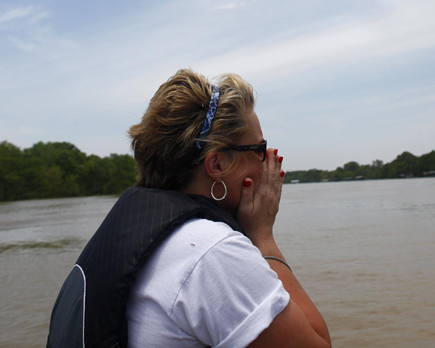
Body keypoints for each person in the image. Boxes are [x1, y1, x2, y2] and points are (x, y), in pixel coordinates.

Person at [47, 69, 331, 348]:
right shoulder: (211, 252)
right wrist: (263, 236)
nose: (266, 159)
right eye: (258, 148)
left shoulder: (119, 237)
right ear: (217, 164)